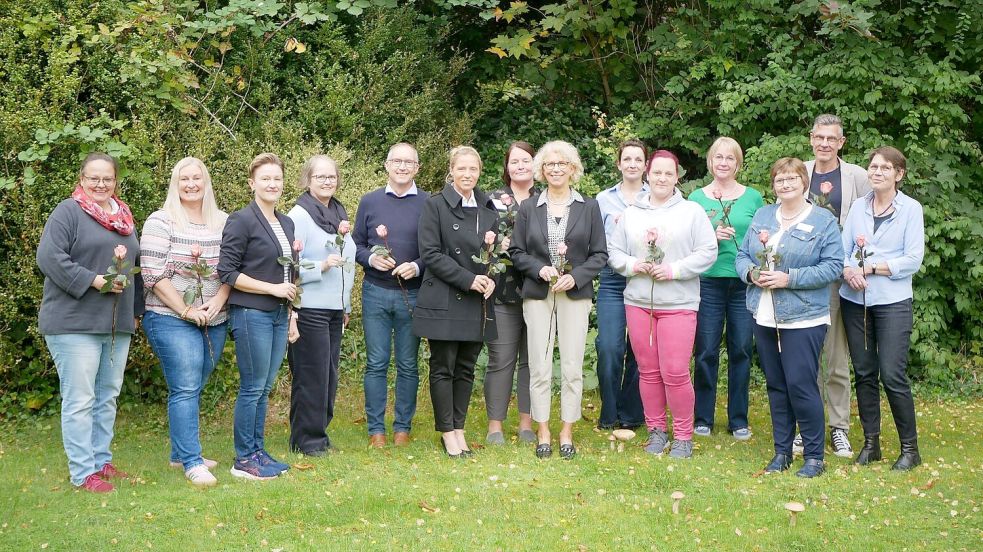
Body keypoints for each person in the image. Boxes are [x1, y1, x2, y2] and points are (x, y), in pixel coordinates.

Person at [37, 152, 144, 493]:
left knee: (106, 395)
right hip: (73, 322)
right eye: (93, 178)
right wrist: (93, 280)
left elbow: (135, 269)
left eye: (107, 178)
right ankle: (83, 472)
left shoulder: (124, 217)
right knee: (81, 398)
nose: (101, 184)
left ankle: (101, 462)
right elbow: (49, 257)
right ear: (82, 179)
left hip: (115, 324)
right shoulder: (68, 212)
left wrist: (135, 313)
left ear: (116, 181)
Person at [735, 157, 844, 478]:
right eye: (779, 180)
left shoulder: (823, 221)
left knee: (801, 384)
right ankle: (782, 452)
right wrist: (752, 273)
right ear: (774, 185)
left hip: (804, 317)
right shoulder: (763, 215)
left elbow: (833, 267)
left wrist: (789, 277)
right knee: (776, 385)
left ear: (803, 182)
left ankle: (813, 457)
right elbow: (742, 256)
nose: (785, 184)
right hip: (764, 314)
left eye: (792, 179)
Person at [608, 150, 717, 459]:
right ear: (647, 174)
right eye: (657, 173)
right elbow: (614, 251)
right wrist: (633, 264)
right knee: (648, 370)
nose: (662, 178)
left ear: (677, 176)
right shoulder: (632, 212)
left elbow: (708, 251)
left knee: (675, 370)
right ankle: (657, 431)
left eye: (669, 173)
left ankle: (683, 436)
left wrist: (675, 270)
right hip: (639, 302)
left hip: (679, 302)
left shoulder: (691, 211)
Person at [510, 140, 607, 459]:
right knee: (538, 363)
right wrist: (540, 270)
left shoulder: (588, 207)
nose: (555, 169)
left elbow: (599, 255)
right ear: (541, 170)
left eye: (561, 164)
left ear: (572, 169)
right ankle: (543, 430)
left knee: (572, 364)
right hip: (538, 293)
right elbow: (516, 252)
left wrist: (574, 276)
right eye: (549, 164)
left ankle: (566, 429)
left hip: (574, 294)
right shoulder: (528, 208)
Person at [141, 157, 230, 486]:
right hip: (169, 316)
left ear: (207, 183)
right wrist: (186, 310)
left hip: (215, 318)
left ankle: (180, 453)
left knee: (195, 382)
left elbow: (234, 267)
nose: (191, 184)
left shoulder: (223, 221)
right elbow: (152, 272)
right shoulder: (161, 220)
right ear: (175, 184)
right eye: (184, 179)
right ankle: (192, 461)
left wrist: (217, 302)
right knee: (186, 385)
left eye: (198, 178)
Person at [840, 146, 924, 471]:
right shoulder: (859, 208)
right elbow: (846, 250)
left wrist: (872, 268)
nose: (877, 172)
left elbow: (913, 259)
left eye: (885, 168)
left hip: (892, 303)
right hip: (855, 301)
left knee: (892, 374)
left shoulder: (910, 209)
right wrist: (849, 271)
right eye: (873, 167)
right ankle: (871, 443)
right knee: (863, 372)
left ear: (898, 174)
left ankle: (909, 449)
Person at [414, 146, 499, 457]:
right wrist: (468, 279)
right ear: (451, 171)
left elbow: (495, 255)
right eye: (462, 169)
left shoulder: (489, 209)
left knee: (465, 368)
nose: (467, 175)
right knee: (443, 367)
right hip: (445, 297)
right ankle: (447, 432)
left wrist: (491, 277)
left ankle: (459, 429)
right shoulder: (434, 205)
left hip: (477, 301)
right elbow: (431, 254)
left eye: (473, 169)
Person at [218, 153, 297, 480]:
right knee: (252, 387)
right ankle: (243, 459)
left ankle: (258, 452)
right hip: (252, 314)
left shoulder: (287, 222)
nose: (272, 184)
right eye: (265, 178)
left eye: (277, 178)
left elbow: (291, 273)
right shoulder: (241, 220)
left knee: (264, 387)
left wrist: (292, 312)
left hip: (280, 315)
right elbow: (227, 272)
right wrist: (271, 289)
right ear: (252, 183)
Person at [800, 114, 871, 458]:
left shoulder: (857, 177)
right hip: (801, 279)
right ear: (811, 138)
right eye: (819, 137)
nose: (824, 143)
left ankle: (839, 427)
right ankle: (807, 424)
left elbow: (871, 222)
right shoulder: (799, 171)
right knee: (806, 356)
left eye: (831, 138)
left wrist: (859, 265)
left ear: (841, 142)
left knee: (837, 357)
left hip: (839, 279)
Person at [353, 143, 428, 448]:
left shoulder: (428, 203)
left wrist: (418, 266)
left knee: (409, 364)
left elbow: (435, 250)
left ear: (417, 168)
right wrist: (370, 258)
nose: (402, 166)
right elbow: (355, 244)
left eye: (408, 162)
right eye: (396, 161)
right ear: (386, 165)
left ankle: (402, 427)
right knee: (377, 363)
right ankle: (376, 430)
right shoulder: (370, 201)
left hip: (413, 294)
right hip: (375, 292)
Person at [689, 137, 764, 440]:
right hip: (708, 281)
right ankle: (703, 417)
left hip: (742, 283)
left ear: (738, 163)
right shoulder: (695, 198)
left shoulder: (753, 197)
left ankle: (738, 419)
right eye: (718, 157)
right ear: (710, 162)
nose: (723, 163)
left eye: (729, 158)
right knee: (706, 350)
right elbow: (687, 240)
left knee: (741, 349)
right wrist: (712, 236)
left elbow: (761, 237)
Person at [286, 155, 355, 457]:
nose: (327, 181)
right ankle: (307, 441)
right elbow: (287, 265)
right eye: (320, 177)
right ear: (307, 180)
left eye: (332, 177)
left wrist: (346, 305)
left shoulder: (338, 213)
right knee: (311, 376)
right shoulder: (298, 216)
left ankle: (319, 435)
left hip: (334, 309)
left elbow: (348, 262)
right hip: (309, 308)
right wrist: (321, 266)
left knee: (328, 376)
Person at [484, 141, 539, 445]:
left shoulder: (546, 199)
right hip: (501, 289)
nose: (520, 166)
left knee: (532, 360)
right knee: (501, 358)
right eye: (514, 161)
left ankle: (527, 423)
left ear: (535, 164)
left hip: (537, 289)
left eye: (526, 160)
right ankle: (495, 426)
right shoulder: (491, 200)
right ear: (506, 167)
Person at [593, 139, 648, 431]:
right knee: (609, 347)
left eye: (638, 159)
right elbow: (595, 241)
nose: (632, 164)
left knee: (641, 349)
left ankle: (632, 414)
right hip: (613, 280)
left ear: (645, 165)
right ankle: (609, 412)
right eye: (627, 159)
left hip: (646, 281)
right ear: (618, 163)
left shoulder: (658, 196)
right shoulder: (603, 199)